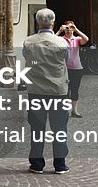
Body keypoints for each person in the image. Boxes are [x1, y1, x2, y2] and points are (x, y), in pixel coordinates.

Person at [22, 9, 70, 174]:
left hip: (36, 90)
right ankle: (60, 164)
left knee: (37, 127)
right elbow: (67, 59)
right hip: (58, 91)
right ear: (54, 23)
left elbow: (26, 57)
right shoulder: (62, 43)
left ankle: (37, 163)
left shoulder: (29, 42)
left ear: (37, 23)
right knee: (59, 128)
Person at [57, 21, 88, 118]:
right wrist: (59, 31)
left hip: (77, 68)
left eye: (70, 28)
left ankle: (74, 111)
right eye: (67, 27)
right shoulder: (61, 39)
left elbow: (86, 39)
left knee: (75, 90)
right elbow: (50, 42)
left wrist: (76, 30)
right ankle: (64, 111)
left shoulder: (77, 39)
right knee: (65, 91)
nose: (69, 30)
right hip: (65, 69)